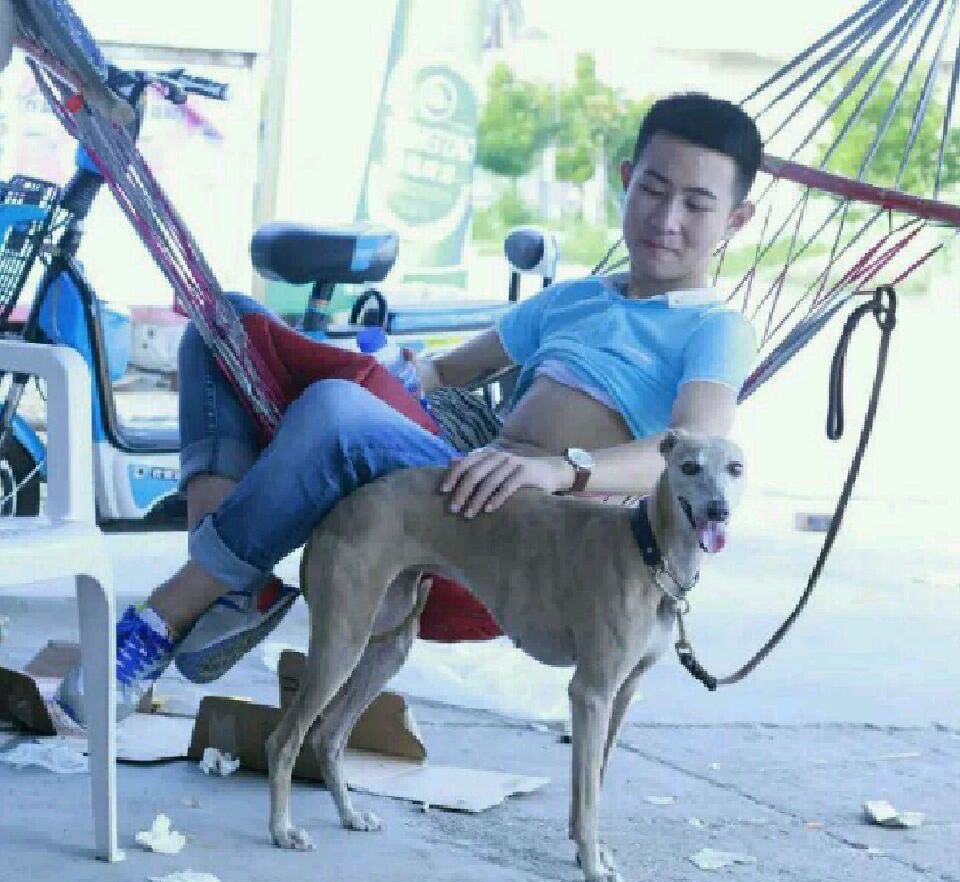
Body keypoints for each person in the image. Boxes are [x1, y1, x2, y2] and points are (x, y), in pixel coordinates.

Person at [57, 91, 762, 723]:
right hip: (459, 473)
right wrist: (400, 368)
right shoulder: (579, 298)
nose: (666, 219)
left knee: (337, 412)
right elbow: (443, 372)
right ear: (626, 180)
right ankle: (227, 584)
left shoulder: (715, 327)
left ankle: (166, 617)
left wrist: (562, 471)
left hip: (532, 529)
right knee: (224, 324)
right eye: (653, 189)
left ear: (735, 221)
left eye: (696, 205)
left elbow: (688, 451)